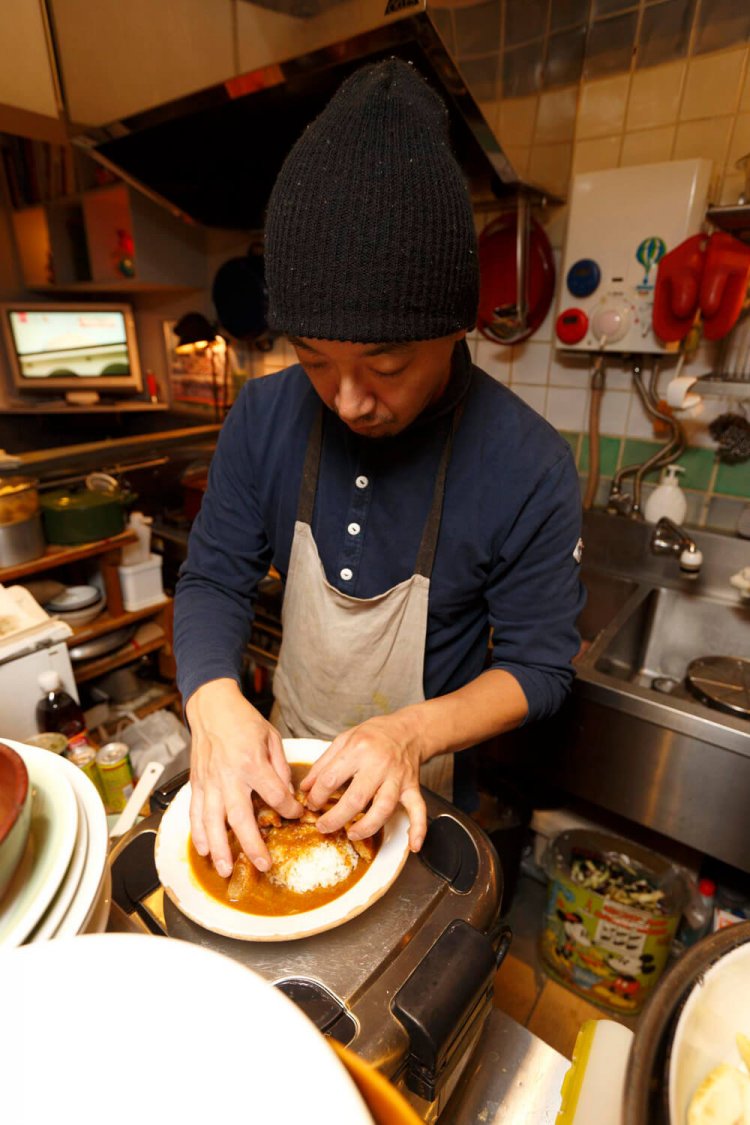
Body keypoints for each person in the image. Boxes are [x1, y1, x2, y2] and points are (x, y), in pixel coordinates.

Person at [173, 58, 585, 882]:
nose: (349, 400)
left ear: (457, 326)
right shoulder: (263, 415)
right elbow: (214, 578)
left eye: (386, 366)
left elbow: (541, 667)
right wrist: (214, 700)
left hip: (423, 790)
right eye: (315, 361)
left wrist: (408, 733)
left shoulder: (528, 464)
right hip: (286, 772)